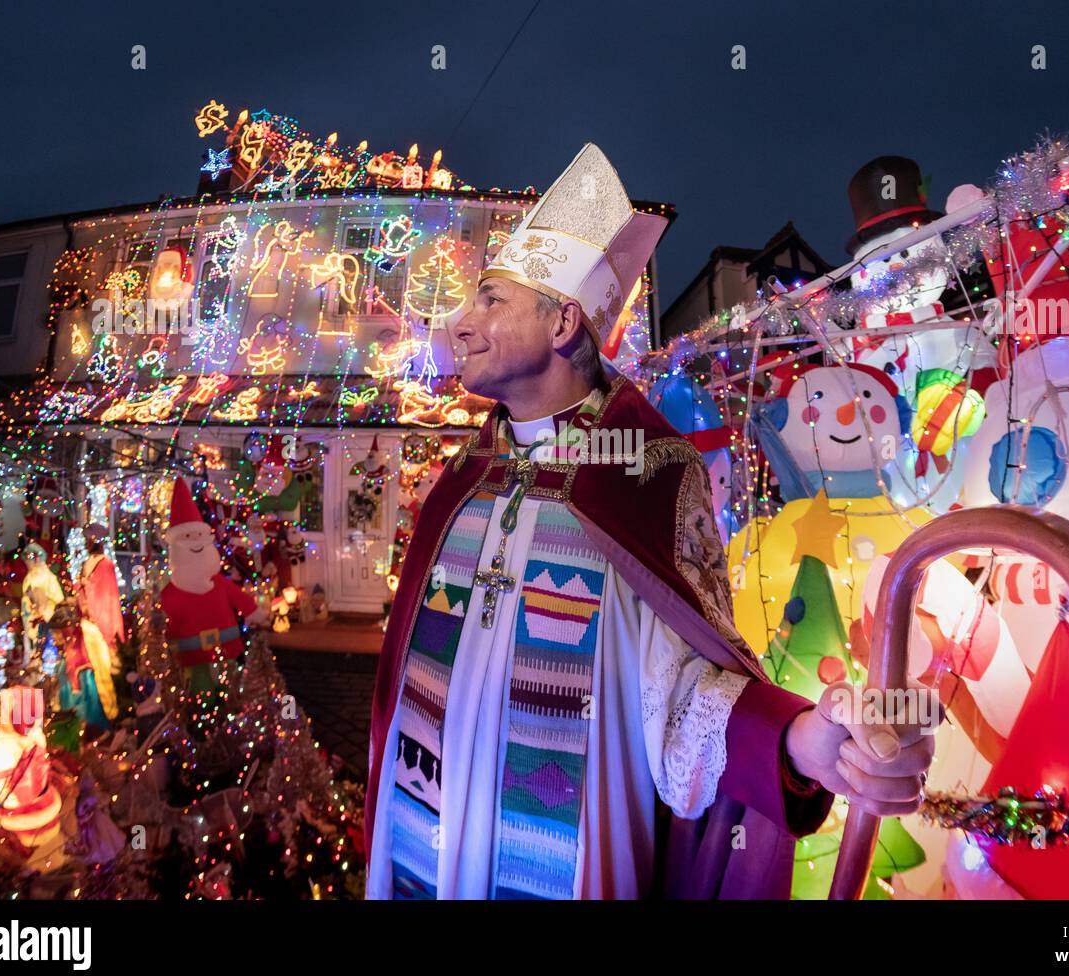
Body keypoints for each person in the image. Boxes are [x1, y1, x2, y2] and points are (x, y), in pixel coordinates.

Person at [363, 144, 935, 899]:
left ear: (564, 320)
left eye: (490, 300)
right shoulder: (466, 479)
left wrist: (799, 742)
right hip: (424, 852)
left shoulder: (646, 474)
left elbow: (683, 695)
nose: (459, 325)